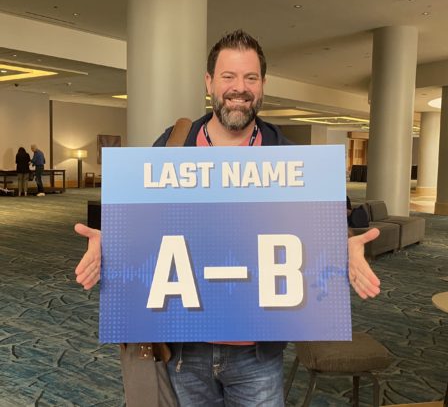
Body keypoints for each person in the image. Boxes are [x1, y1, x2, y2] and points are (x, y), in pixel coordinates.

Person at [74, 30, 381, 406]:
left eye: (250, 77)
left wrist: (342, 243)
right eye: (228, 77)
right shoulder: (175, 144)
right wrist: (111, 241)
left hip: (257, 352)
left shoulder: (286, 156)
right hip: (185, 348)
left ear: (263, 84)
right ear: (209, 82)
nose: (240, 88)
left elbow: (325, 217)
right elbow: (142, 222)